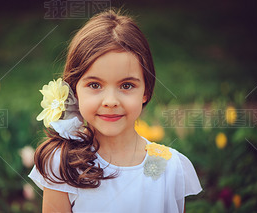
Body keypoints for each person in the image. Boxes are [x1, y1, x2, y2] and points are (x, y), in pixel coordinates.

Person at [29, 8, 202, 213]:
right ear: (74, 90)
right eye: (95, 85)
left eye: (126, 85)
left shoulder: (170, 168)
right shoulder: (63, 164)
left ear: (146, 90)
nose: (110, 101)